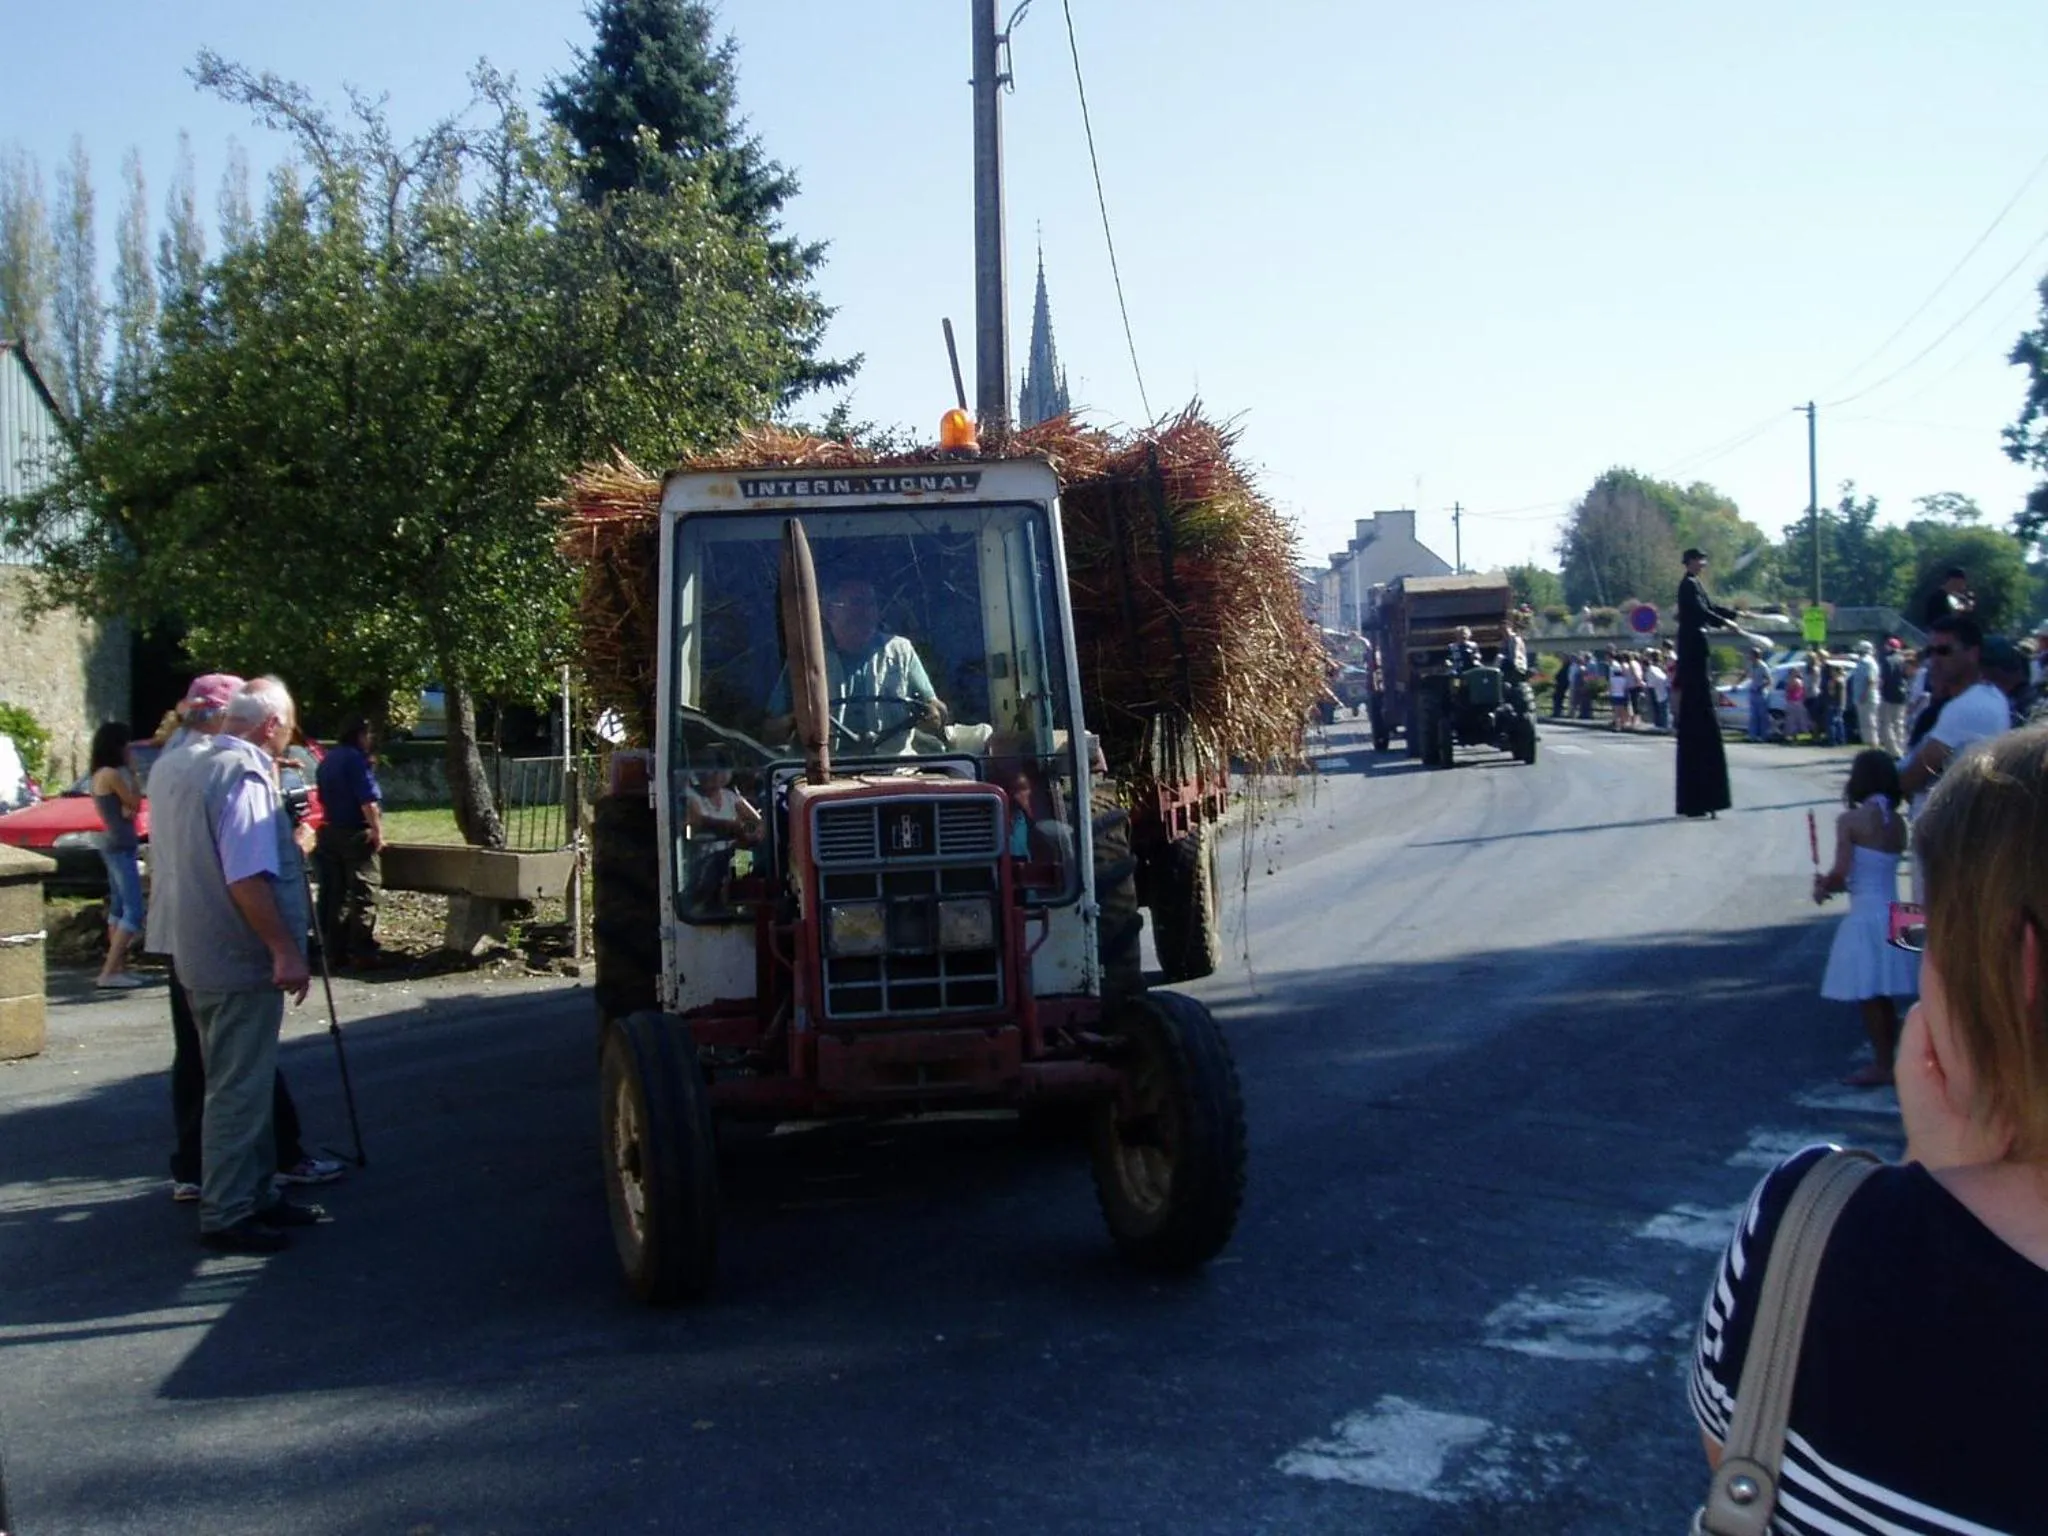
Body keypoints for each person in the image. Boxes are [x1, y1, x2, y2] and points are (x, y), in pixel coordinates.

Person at [1690, 726, 2048, 1533]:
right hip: (1887, 915)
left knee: (1868, 999)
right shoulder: (1892, 819)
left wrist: (1931, 1180)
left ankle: (1877, 1058)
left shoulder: (1806, 1225)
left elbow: (1735, 1463)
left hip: (1866, 916)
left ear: (2014, 964)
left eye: (1942, 932)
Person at [151, 677, 327, 1254]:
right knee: (239, 1089)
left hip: (194, 946)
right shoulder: (243, 774)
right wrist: (284, 948)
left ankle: (255, 1193)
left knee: (234, 1078)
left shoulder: (179, 764)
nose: (288, 739)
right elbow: (246, 875)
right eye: (289, 728)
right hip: (235, 952)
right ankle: (229, 1210)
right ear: (271, 725)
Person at [1812, 750, 1919, 1086]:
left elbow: (1842, 872)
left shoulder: (1851, 821)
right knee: (1886, 990)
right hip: (1896, 912)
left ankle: (1883, 1064)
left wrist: (1824, 887)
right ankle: (1894, 1058)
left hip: (1867, 915)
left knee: (1870, 994)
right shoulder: (1898, 824)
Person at [765, 575, 947, 748]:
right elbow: (771, 731)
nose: (865, 613)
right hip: (823, 767)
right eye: (855, 603)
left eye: (870, 604)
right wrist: (797, 721)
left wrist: (933, 716)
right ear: (828, 611)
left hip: (897, 765)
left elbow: (934, 710)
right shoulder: (806, 659)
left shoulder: (901, 651)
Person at [1674, 549, 1743, 817]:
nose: (1703, 564)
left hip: (1697, 651)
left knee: (1702, 717)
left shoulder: (1696, 584)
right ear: (1690, 562)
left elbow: (1710, 607)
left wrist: (1734, 615)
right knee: (1698, 716)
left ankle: (1705, 798)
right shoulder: (1687, 586)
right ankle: (1699, 798)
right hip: (1692, 653)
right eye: (1700, 560)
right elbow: (1700, 612)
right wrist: (1724, 623)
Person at [314, 715, 386, 969]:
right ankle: (362, 951)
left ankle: (333, 950)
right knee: (365, 892)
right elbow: (367, 801)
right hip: (355, 833)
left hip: (329, 831)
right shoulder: (356, 760)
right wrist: (377, 831)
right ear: (360, 735)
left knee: (334, 894)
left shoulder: (328, 759)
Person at [88, 721, 147, 990]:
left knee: (118, 908)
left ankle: (118, 967)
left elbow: (127, 808)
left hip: (112, 841)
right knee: (134, 910)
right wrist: (133, 773)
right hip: (121, 843)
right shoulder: (112, 774)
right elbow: (134, 802)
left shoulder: (98, 774)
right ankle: (109, 971)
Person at [1875, 636, 1909, 754]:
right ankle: (1902, 747)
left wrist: (1880, 691)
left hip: (1888, 694)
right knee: (1899, 723)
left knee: (1886, 724)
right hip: (1902, 695)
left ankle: (1893, 750)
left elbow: (1883, 679)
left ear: (1889, 647)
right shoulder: (1903, 660)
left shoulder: (1886, 660)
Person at [1919, 564, 1973, 629]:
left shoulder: (1956, 599)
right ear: (1953, 581)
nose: (1962, 586)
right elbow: (1934, 621)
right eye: (1961, 583)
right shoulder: (1937, 597)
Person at [1845, 639, 1878, 743]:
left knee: (1869, 723)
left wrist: (1864, 695)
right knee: (1865, 723)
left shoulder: (1867, 662)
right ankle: (1870, 744)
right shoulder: (1863, 662)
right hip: (1862, 697)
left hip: (1867, 698)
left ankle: (1873, 745)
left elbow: (1871, 680)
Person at [1744, 648, 1772, 742]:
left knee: (1762, 716)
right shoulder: (1750, 665)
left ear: (1756, 656)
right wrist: (1736, 683)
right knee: (1753, 716)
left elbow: (1769, 680)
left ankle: (1764, 736)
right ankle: (1753, 736)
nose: (1749, 656)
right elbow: (1745, 674)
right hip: (1753, 692)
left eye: (1751, 654)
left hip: (1761, 693)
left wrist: (1761, 687)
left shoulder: (1763, 666)